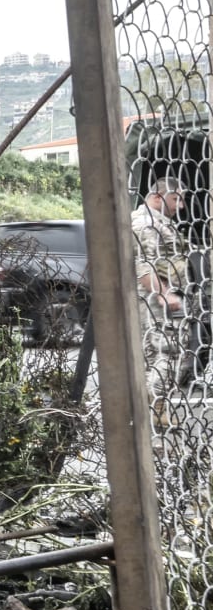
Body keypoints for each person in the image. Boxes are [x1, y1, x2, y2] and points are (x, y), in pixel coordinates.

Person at [133, 175, 190, 424]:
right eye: (176, 199)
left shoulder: (157, 221)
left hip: (158, 298)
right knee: (166, 353)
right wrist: (164, 293)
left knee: (158, 355)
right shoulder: (147, 223)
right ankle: (155, 410)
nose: (181, 206)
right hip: (155, 301)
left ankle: (154, 410)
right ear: (157, 197)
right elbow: (144, 265)